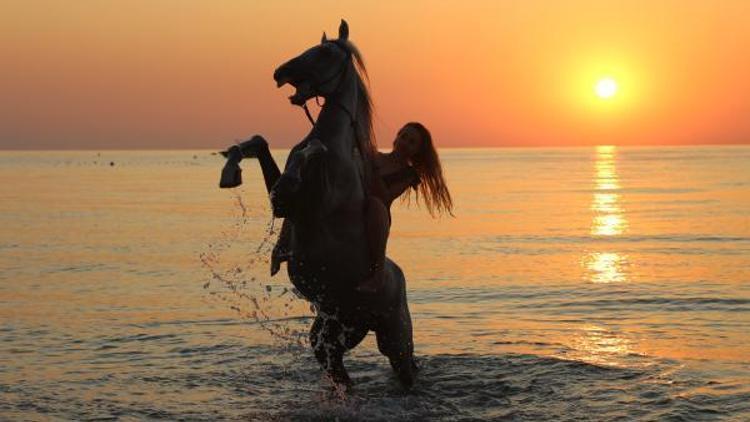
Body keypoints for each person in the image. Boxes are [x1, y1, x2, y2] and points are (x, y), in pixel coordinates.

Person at [270, 122, 454, 293]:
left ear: (417, 151)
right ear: (396, 137)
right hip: (352, 202)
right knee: (311, 194)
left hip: (375, 215)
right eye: (404, 136)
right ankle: (282, 245)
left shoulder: (408, 174)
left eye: (412, 142)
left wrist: (371, 167)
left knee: (375, 204)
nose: (406, 142)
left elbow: (384, 195)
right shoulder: (372, 155)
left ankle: (378, 273)